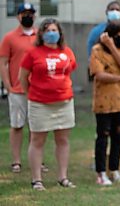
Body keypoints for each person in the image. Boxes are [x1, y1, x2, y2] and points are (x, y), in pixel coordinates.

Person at [18, 18, 78, 190]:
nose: (52, 33)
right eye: (48, 30)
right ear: (42, 34)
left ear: (60, 33)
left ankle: (63, 177)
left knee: (63, 140)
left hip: (64, 102)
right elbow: (23, 77)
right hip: (40, 103)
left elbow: (69, 71)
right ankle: (37, 180)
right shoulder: (33, 53)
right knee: (37, 140)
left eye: (54, 30)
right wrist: (30, 94)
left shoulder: (67, 52)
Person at [87, 1, 120, 153]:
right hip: (106, 86)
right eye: (112, 9)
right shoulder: (96, 33)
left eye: (118, 9)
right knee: (103, 128)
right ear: (106, 11)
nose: (115, 12)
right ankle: (101, 159)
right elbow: (93, 61)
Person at [0, 3, 48, 174]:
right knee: (17, 125)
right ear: (18, 16)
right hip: (18, 90)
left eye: (30, 13)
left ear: (35, 16)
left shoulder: (41, 36)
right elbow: (3, 62)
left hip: (38, 89)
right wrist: (8, 86)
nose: (27, 16)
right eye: (24, 13)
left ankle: (37, 161)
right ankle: (16, 160)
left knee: (37, 127)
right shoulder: (9, 37)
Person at [89, 20, 120, 185]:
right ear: (112, 34)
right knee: (103, 137)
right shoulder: (97, 50)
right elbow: (99, 74)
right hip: (103, 102)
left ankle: (114, 170)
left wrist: (112, 46)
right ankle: (101, 173)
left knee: (117, 137)